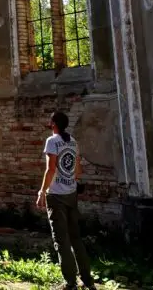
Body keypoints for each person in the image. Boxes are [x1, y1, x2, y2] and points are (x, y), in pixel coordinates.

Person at [36, 111, 96, 290]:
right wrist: (70, 181)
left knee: (61, 241)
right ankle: (88, 281)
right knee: (76, 239)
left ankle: (70, 283)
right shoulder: (73, 141)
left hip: (56, 196)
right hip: (71, 194)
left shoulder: (52, 141)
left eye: (50, 121)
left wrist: (42, 191)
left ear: (53, 123)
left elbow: (51, 169)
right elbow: (78, 170)